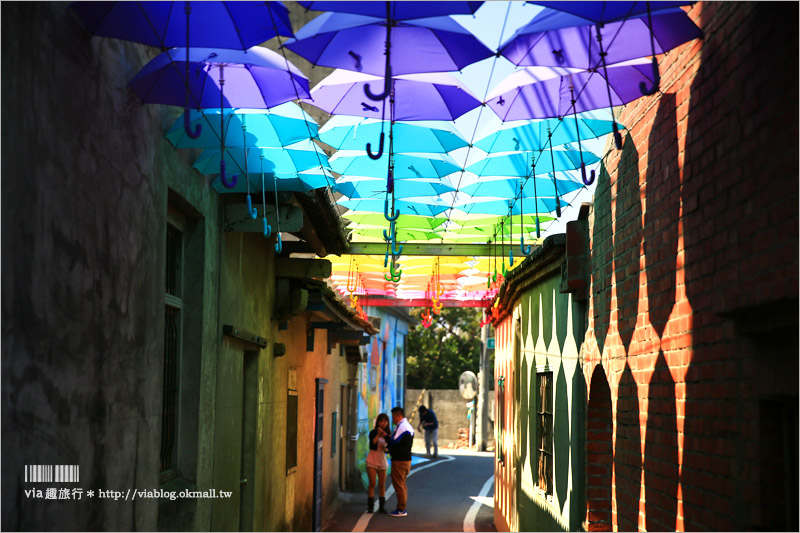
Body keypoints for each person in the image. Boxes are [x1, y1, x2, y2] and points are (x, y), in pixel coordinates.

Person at [385, 406, 414, 517]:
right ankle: (402, 507)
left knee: (399, 485)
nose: (392, 420)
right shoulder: (407, 426)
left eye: (393, 417)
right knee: (402, 484)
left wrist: (386, 437)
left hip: (400, 460)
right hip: (406, 459)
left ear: (399, 416)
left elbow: (394, 441)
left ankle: (401, 509)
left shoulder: (402, 426)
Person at [365, 413, 390, 513]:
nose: (383, 423)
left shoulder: (388, 434)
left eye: (385, 421)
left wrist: (386, 448)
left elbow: (389, 449)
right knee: (372, 483)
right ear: (378, 422)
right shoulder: (373, 432)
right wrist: (379, 434)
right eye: (381, 421)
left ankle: (381, 507)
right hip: (372, 459)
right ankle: (370, 507)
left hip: (382, 461)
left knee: (382, 484)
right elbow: (372, 444)